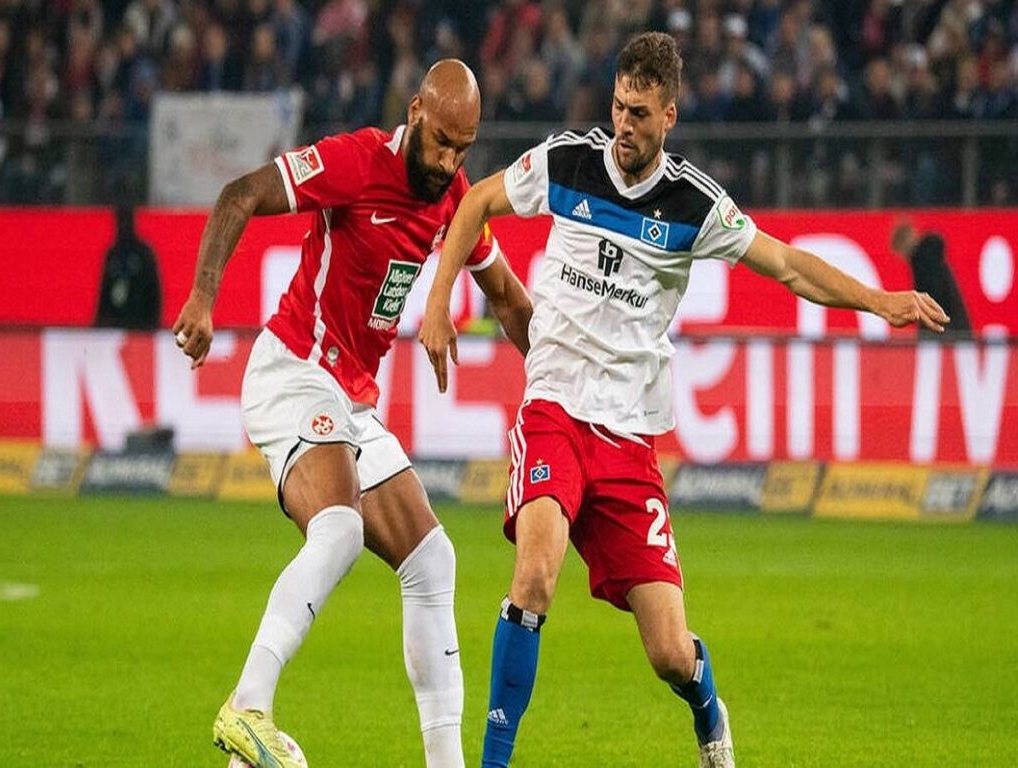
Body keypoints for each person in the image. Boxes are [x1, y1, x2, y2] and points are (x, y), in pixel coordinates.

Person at [419, 33, 949, 768]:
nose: (623, 125)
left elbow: (788, 266)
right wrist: (438, 303)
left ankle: (708, 708)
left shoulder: (694, 204)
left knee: (670, 652)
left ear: (669, 115)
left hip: (628, 437)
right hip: (554, 408)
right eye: (617, 107)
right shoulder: (568, 162)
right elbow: (478, 200)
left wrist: (880, 300)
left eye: (639, 113)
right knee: (534, 575)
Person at [172, 59, 532, 768]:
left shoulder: (454, 196)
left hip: (352, 402)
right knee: (338, 528)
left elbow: (507, 297)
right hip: (293, 371)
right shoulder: (357, 161)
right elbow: (240, 193)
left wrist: (557, 372)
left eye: (463, 149)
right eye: (441, 143)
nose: (449, 163)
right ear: (416, 111)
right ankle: (247, 704)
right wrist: (203, 298)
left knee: (432, 559)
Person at [891, 221, 971, 336]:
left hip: (945, 327)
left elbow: (930, 295)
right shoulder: (930, 254)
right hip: (956, 322)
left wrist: (924, 326)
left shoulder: (920, 260)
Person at [94, 203, 161, 329]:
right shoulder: (113, 254)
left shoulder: (143, 253)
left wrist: (152, 322)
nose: (122, 226)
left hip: (139, 323)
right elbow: (104, 290)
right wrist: (100, 320)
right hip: (114, 323)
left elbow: (153, 290)